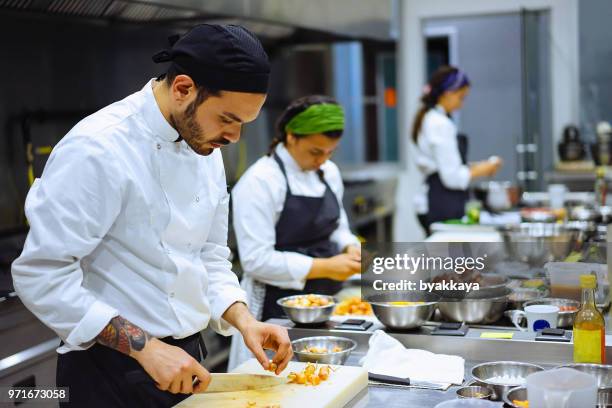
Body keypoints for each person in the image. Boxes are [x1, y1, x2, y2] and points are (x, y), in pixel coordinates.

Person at [11, 24, 292, 408]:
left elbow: (207, 255)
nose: (234, 137)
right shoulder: (98, 148)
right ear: (182, 89)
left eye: (243, 123)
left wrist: (244, 320)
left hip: (188, 362)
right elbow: (41, 274)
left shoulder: (203, 143)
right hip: (109, 373)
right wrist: (147, 349)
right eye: (228, 119)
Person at [228, 95, 361, 369]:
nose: (322, 160)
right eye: (315, 152)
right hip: (273, 308)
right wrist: (325, 266)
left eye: (330, 152)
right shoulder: (260, 181)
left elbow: (338, 228)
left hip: (324, 301)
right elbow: (256, 260)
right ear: (291, 136)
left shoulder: (328, 173)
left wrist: (350, 246)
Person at [412, 65, 502, 234]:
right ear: (448, 93)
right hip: (440, 203)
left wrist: (475, 167)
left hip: (436, 200)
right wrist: (483, 169)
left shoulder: (431, 118)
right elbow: (451, 177)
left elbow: (445, 164)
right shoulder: (439, 123)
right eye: (461, 97)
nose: (461, 104)